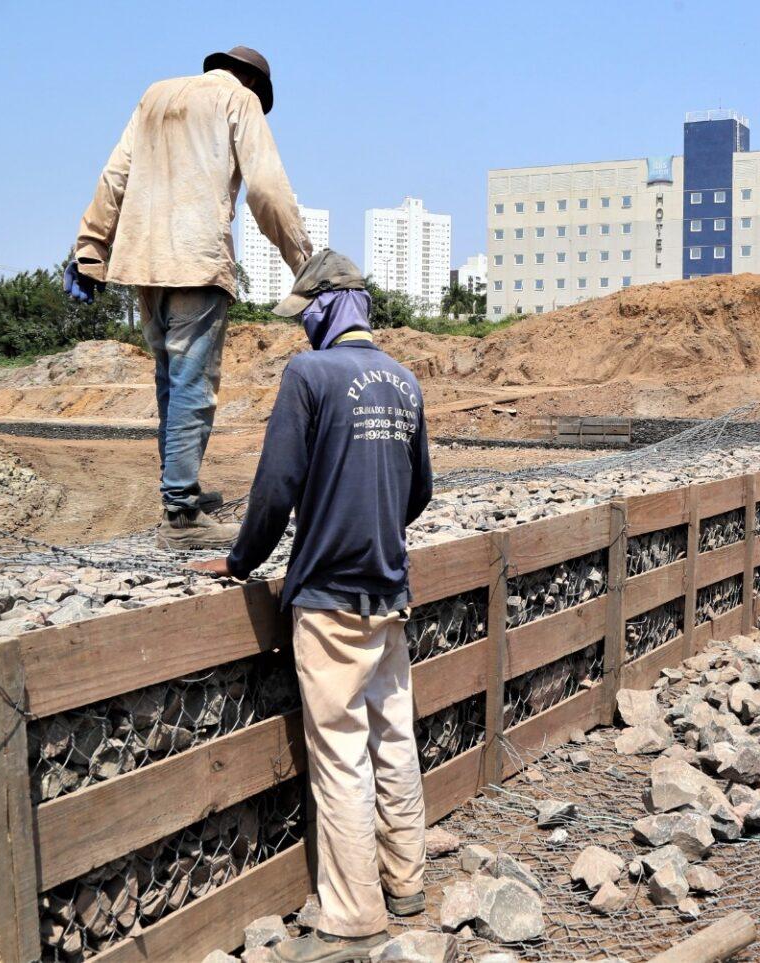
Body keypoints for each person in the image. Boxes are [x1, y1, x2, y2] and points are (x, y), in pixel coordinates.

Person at [190, 251, 433, 963]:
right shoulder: (404, 379)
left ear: (329, 306)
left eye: (306, 316)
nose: (301, 331)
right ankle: (408, 883)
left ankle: (354, 918)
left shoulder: (309, 375)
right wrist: (373, 519)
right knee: (394, 738)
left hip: (328, 602)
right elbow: (419, 491)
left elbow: (274, 490)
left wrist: (240, 561)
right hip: (390, 594)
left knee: (340, 756)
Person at [67, 46, 312, 550]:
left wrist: (90, 248)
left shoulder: (154, 95)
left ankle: (181, 494)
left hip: (143, 260)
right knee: (193, 386)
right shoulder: (237, 100)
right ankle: (180, 518)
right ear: (253, 84)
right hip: (195, 258)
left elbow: (115, 176)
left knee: (169, 381)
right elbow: (266, 189)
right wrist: (304, 264)